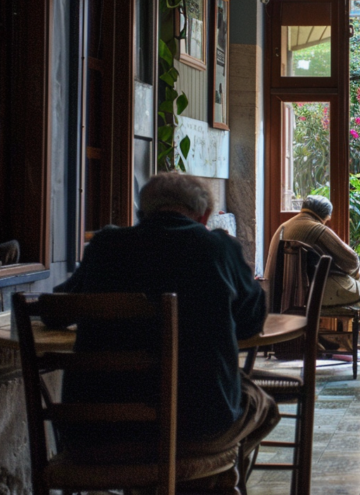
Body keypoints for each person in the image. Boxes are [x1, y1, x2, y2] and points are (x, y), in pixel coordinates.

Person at [52, 171, 278, 485]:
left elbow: (55, 311)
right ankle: (204, 481)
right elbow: (251, 322)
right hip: (194, 432)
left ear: (142, 214)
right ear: (205, 216)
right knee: (261, 405)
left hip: (97, 436)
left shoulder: (106, 246)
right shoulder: (217, 248)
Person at [264, 194, 360, 344]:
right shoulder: (316, 228)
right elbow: (351, 261)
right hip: (304, 294)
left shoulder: (284, 225)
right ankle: (345, 342)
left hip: (281, 294)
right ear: (325, 216)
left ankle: (322, 340)